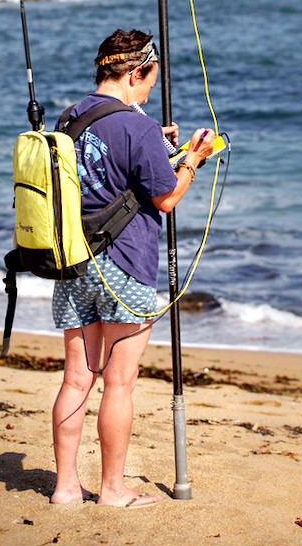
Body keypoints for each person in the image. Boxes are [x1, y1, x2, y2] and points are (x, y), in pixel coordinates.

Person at [50, 28, 215, 508]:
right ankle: (112, 489)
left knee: (76, 379)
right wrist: (193, 161)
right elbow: (164, 199)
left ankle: (64, 489)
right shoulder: (138, 127)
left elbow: (100, 167)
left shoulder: (70, 117)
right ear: (135, 72)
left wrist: (156, 143)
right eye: (148, 83)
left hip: (74, 262)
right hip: (126, 265)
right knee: (119, 383)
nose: (148, 93)